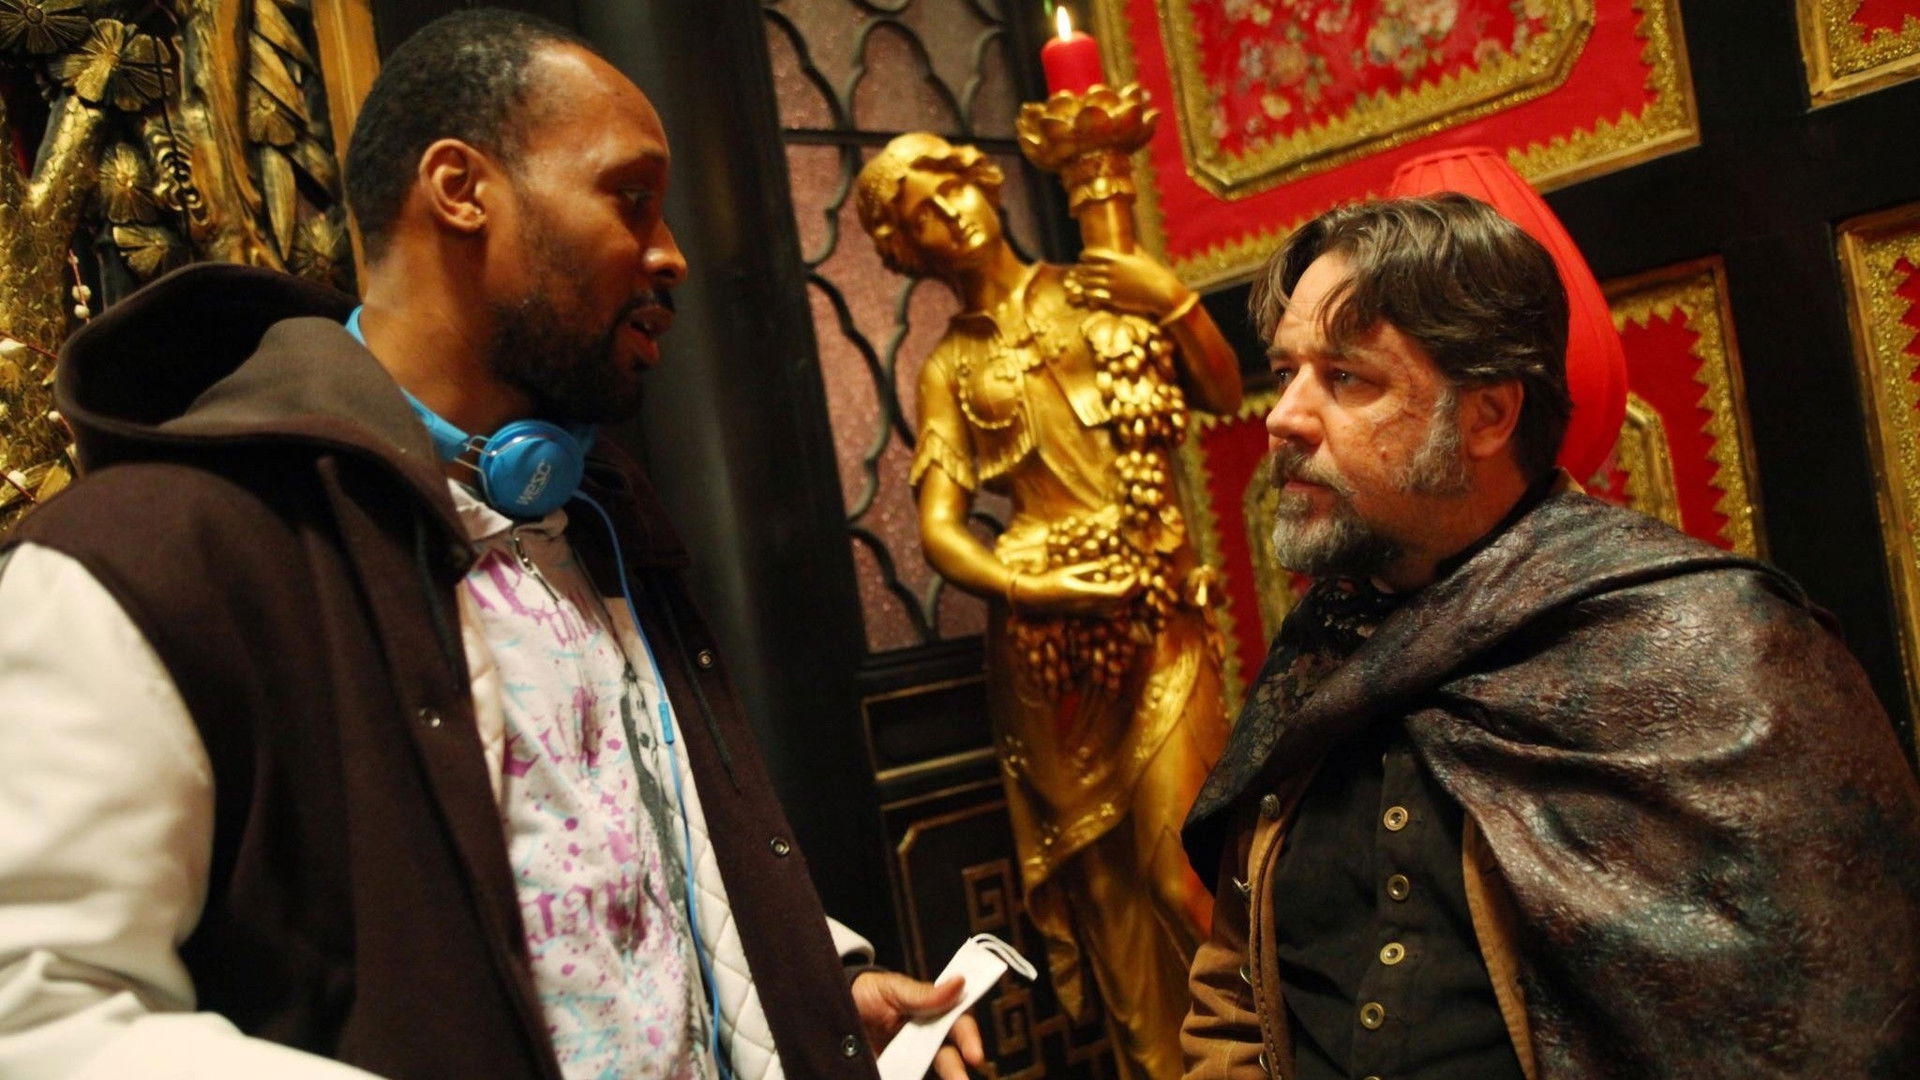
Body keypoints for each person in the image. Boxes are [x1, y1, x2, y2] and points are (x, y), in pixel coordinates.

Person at [0, 10, 982, 1080]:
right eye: (631, 197)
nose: (672, 253)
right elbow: (35, 1015)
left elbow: (614, 872)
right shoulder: (150, 552)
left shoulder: (593, 516)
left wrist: (804, 994)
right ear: (461, 189)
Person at [1180, 193, 1920, 1080]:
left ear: (1488, 416)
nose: (1283, 416)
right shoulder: (1325, 648)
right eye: (1285, 371)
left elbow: (1832, 1024)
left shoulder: (1710, 645)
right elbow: (1235, 995)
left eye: (1346, 379)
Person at [855, 134, 1242, 1080]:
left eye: (950, 187)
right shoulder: (948, 368)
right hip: (1048, 654)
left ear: (981, 181)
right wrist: (1031, 586)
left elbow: (1223, 389)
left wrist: (1172, 300)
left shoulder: (1100, 287)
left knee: (1184, 874)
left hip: (1154, 622)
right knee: (1107, 901)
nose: (948, 213)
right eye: (919, 216)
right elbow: (940, 530)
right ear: (907, 251)